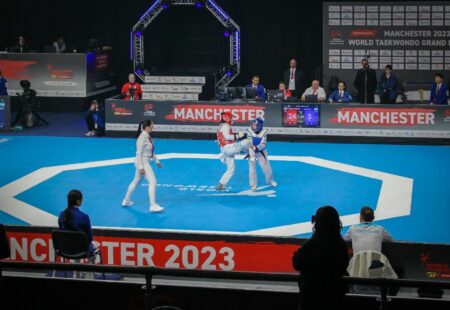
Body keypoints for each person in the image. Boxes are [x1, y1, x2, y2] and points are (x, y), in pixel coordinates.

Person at [292, 206, 349, 310]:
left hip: (311, 298)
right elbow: (344, 264)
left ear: (317, 223)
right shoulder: (341, 246)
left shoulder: (311, 245)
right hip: (335, 298)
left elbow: (297, 263)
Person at [122, 120, 164, 213]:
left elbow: (150, 151)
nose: (154, 126)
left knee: (136, 181)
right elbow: (139, 153)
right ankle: (153, 205)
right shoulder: (142, 138)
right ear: (147, 126)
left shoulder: (147, 136)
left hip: (144, 162)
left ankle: (126, 200)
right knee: (153, 181)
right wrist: (141, 167)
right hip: (142, 162)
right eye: (152, 125)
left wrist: (157, 161)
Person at [216, 112, 250, 191]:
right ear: (227, 118)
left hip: (226, 149)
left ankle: (221, 184)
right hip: (228, 149)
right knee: (247, 141)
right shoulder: (225, 126)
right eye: (231, 118)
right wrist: (238, 135)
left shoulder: (221, 126)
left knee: (231, 169)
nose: (232, 119)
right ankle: (249, 152)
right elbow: (227, 137)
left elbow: (223, 141)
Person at [58, 190, 96, 254]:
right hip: (82, 249)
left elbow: (61, 230)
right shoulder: (84, 216)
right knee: (93, 245)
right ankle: (89, 264)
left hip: (65, 248)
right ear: (78, 201)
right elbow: (90, 238)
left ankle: (76, 264)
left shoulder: (62, 214)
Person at [247, 117, 277, 190]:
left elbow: (263, 144)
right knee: (252, 169)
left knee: (267, 168)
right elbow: (249, 142)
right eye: (252, 124)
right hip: (251, 151)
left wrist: (256, 148)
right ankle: (253, 184)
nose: (252, 126)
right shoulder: (249, 131)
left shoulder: (264, 131)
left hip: (261, 152)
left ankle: (270, 180)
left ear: (259, 125)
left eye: (254, 125)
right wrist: (252, 155)